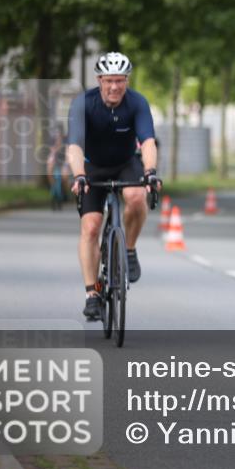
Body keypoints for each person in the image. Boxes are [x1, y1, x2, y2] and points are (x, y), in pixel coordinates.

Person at [67, 52, 162, 322]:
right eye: (109, 81)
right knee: (91, 226)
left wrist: (151, 172)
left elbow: (147, 142)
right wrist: (79, 175)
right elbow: (74, 145)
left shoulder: (137, 103)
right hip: (91, 166)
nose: (114, 87)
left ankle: (129, 250)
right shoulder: (83, 104)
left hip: (124, 163)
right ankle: (92, 294)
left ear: (126, 81)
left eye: (120, 81)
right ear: (99, 80)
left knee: (135, 195)